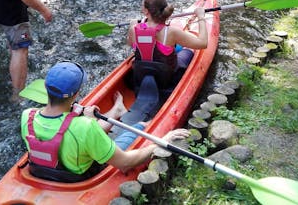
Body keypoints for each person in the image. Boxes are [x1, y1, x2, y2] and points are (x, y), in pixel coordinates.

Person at [20, 61, 190, 182]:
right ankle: (137, 123)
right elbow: (125, 163)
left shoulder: (27, 116)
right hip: (84, 176)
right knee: (139, 127)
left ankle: (116, 111)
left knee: (85, 135)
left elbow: (69, 132)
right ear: (75, 94)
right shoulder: (85, 127)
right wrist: (159, 144)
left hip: (48, 172)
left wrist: (84, 119)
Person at [118, 0, 208, 127]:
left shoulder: (133, 29)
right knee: (188, 51)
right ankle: (187, 50)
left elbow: (131, 43)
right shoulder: (171, 32)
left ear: (146, 12)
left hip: (140, 77)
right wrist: (201, 17)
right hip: (168, 78)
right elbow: (203, 43)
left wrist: (132, 25)